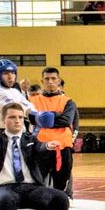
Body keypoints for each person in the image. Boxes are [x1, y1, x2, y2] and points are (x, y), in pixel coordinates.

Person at [0, 59, 37, 210]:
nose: (10, 76)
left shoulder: (16, 92)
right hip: (0, 140)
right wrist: (33, 114)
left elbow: (29, 107)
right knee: (4, 181)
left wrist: (38, 115)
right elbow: (14, 108)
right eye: (6, 73)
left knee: (23, 179)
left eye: (13, 73)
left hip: (19, 140)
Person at [29, 68, 77, 200]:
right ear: (42, 81)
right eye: (47, 79)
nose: (50, 82)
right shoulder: (32, 100)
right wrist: (56, 114)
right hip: (40, 147)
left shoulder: (68, 101)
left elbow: (66, 120)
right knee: (37, 181)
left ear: (59, 81)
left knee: (60, 184)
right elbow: (30, 118)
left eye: (53, 79)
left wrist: (42, 118)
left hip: (62, 147)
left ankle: (59, 208)